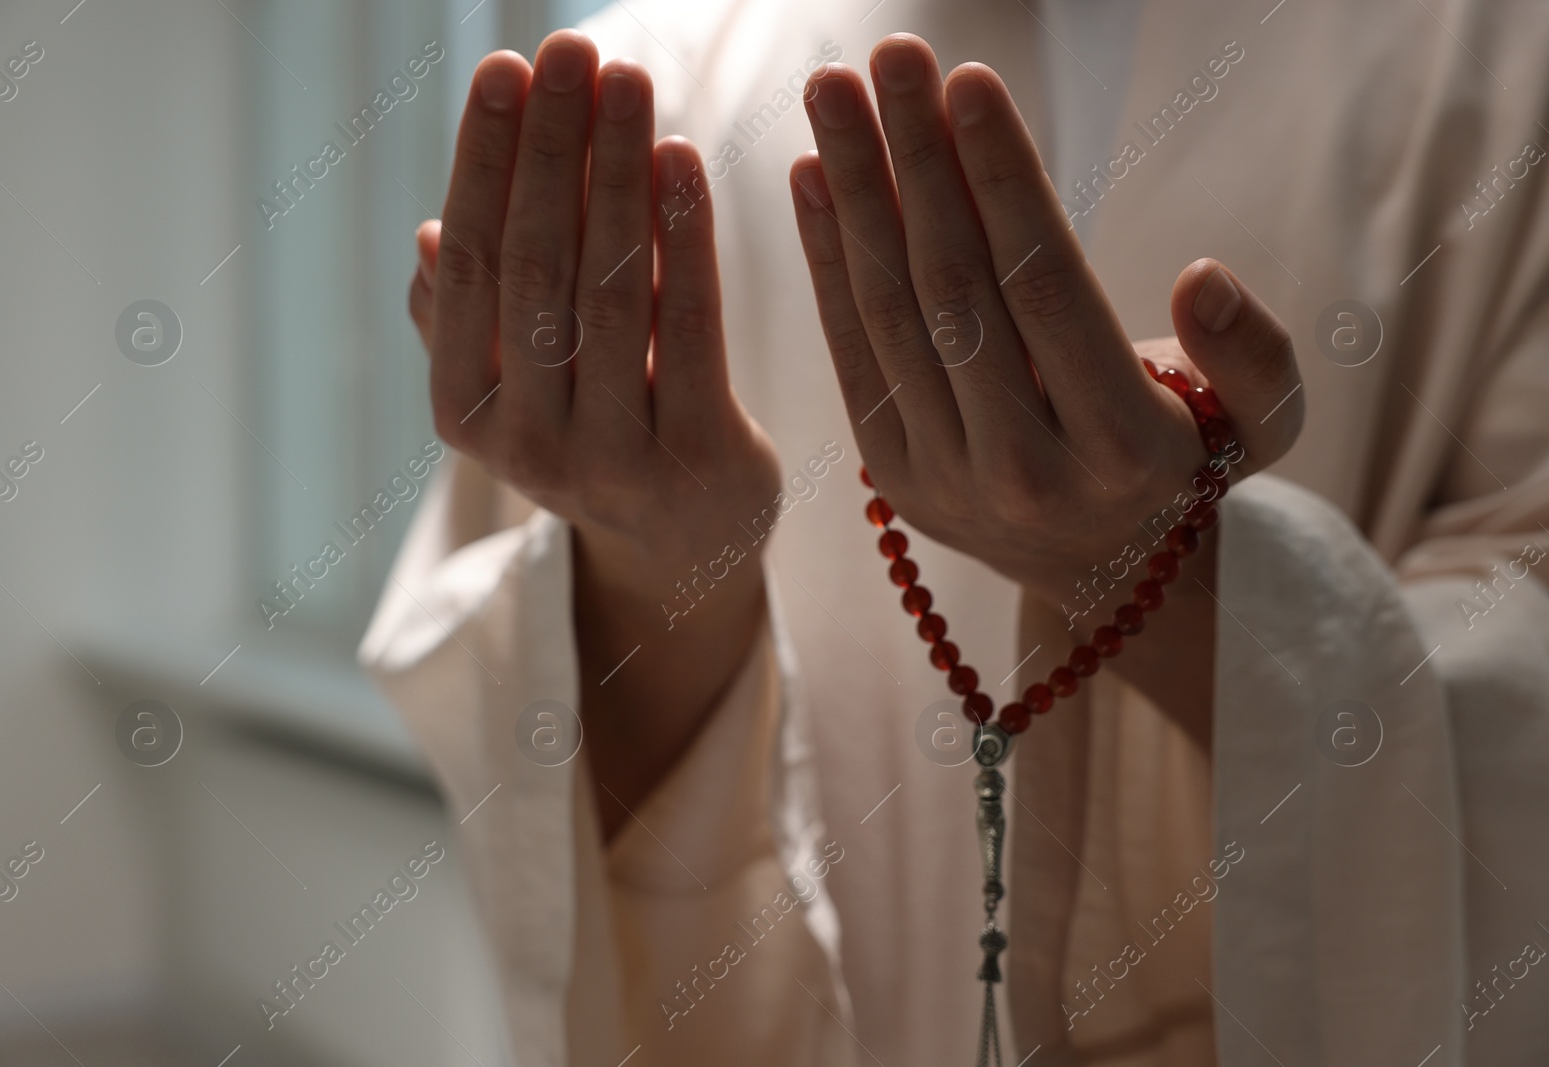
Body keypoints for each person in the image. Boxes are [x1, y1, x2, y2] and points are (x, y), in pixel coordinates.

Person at [359, 0, 1549, 1063]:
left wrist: (1175, 587)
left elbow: (1513, 717)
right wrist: (656, 576)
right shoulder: (662, 79)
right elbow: (548, 808)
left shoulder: (1504, 74)